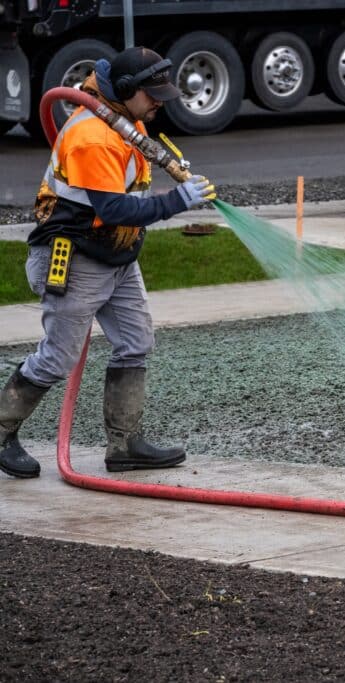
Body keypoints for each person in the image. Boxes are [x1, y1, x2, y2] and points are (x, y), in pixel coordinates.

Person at [0, 46, 217, 478]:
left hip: (115, 254)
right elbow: (114, 210)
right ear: (125, 89)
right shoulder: (92, 136)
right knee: (58, 357)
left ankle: (124, 445)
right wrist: (177, 201)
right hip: (75, 256)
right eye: (152, 94)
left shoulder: (124, 119)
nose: (159, 102)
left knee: (136, 341)